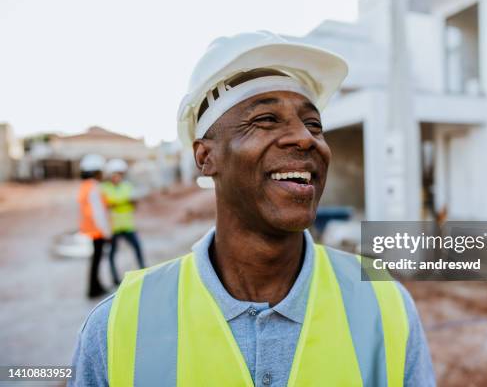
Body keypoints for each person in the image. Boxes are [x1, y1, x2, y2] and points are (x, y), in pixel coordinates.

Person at [70, 31, 435, 386]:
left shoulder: (383, 302)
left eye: (314, 125)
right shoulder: (119, 326)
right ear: (205, 156)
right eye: (266, 119)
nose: (305, 138)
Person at [101, 158, 145, 285]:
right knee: (112, 254)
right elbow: (108, 204)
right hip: (113, 227)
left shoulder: (127, 186)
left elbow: (134, 202)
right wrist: (123, 202)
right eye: (115, 174)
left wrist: (117, 203)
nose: (117, 177)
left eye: (119, 174)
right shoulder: (104, 188)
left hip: (128, 225)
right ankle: (114, 278)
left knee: (137, 248)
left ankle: (143, 271)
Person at [77, 154, 111, 299]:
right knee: (96, 261)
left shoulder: (85, 186)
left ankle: (96, 286)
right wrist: (107, 232)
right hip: (97, 230)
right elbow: (99, 213)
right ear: (96, 171)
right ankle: (93, 289)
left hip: (90, 229)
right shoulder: (94, 188)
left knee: (95, 260)